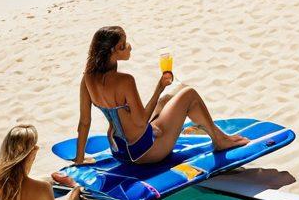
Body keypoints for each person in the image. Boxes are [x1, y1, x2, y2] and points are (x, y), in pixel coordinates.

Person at [67, 26, 249, 168]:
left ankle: (214, 133)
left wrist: (80, 158)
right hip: (146, 152)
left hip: (120, 151)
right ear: (116, 49)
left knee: (169, 96)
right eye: (126, 43)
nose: (130, 46)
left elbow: (84, 122)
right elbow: (140, 122)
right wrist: (158, 87)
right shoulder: (125, 81)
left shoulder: (88, 78)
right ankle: (219, 140)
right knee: (189, 94)